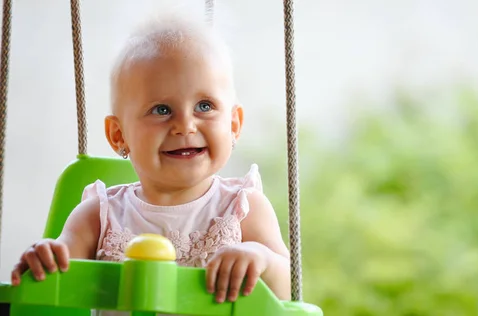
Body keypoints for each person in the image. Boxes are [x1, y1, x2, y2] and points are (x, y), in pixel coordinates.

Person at [10, 11, 291, 312]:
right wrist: (45, 257)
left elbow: (289, 290)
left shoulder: (243, 209)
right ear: (119, 135)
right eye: (161, 110)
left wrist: (260, 260)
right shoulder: (98, 217)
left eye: (204, 106)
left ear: (234, 124)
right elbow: (56, 275)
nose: (185, 125)